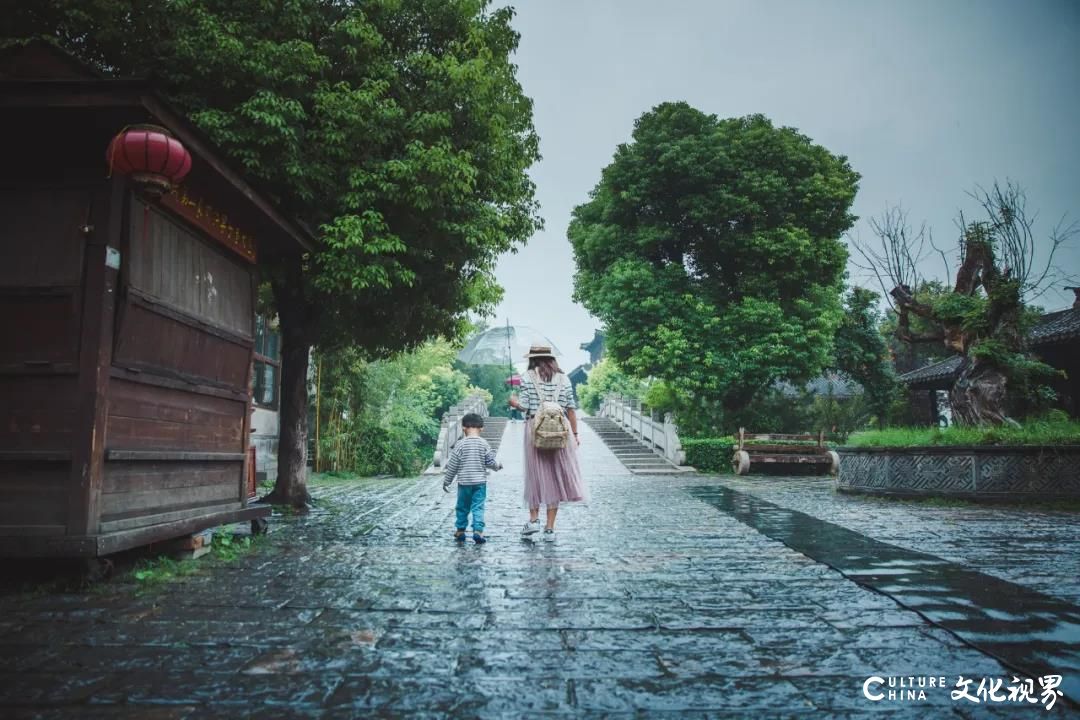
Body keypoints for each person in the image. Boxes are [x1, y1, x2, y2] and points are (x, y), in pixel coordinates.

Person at [508, 345, 586, 541]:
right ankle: (550, 529)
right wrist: (575, 434)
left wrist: (514, 402)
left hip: (536, 429)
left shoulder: (527, 377)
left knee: (535, 476)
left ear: (533, 359)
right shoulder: (564, 379)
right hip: (561, 432)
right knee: (556, 477)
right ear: (551, 359)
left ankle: (534, 521)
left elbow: (524, 406)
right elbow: (571, 409)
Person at [442, 413, 502, 544]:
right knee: (478, 507)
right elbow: (490, 461)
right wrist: (498, 466)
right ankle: (478, 531)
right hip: (480, 483)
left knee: (462, 507)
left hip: (464, 483)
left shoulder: (460, 444)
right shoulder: (484, 444)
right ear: (481, 428)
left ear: (463, 428)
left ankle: (460, 531)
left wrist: (447, 481)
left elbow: (453, 464)